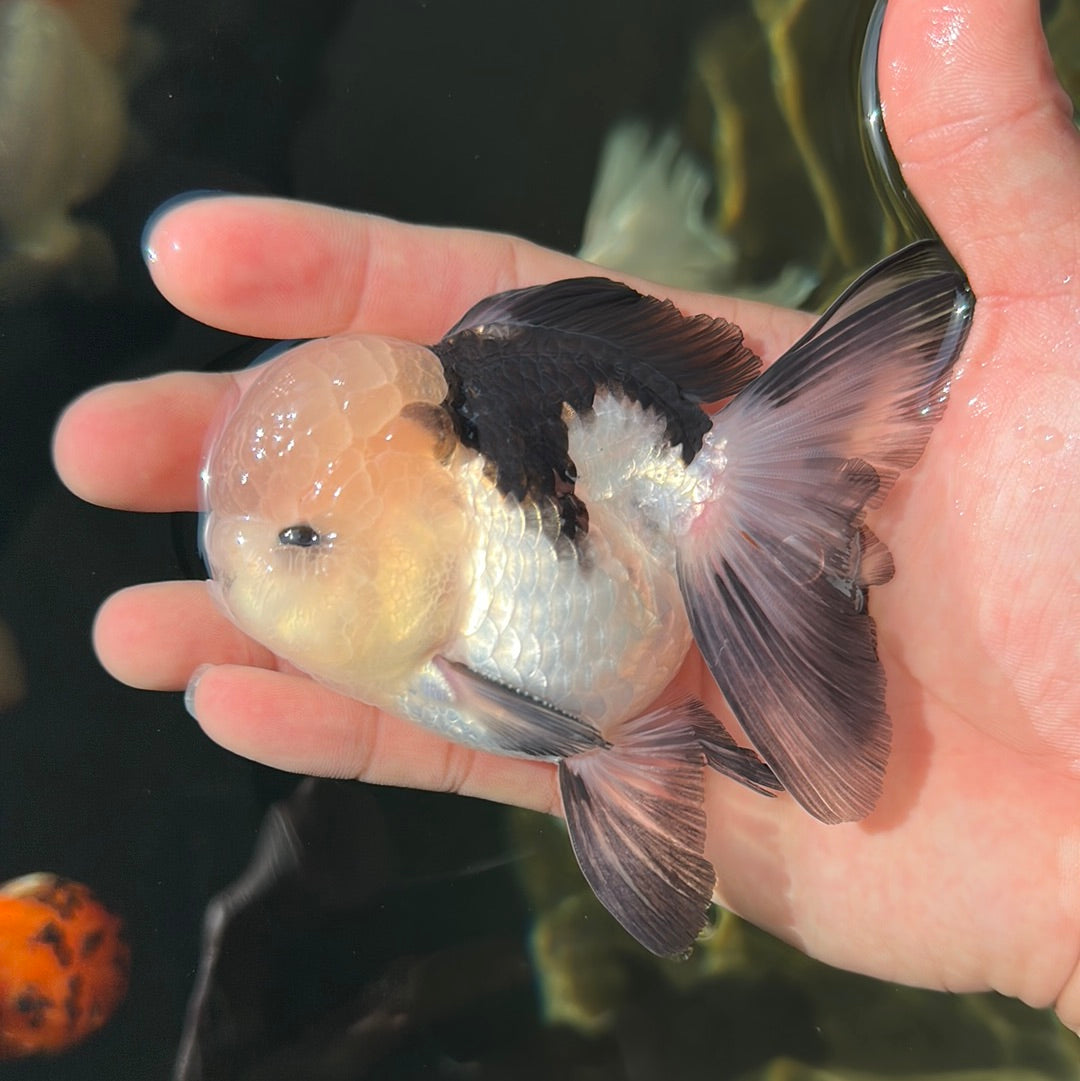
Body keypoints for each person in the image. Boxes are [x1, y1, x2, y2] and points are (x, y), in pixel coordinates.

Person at [53, 0, 1079, 1029]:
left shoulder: (459, 638)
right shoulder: (417, 634)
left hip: (630, 458)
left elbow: (567, 732)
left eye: (303, 544)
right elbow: (577, 737)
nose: (244, 577)